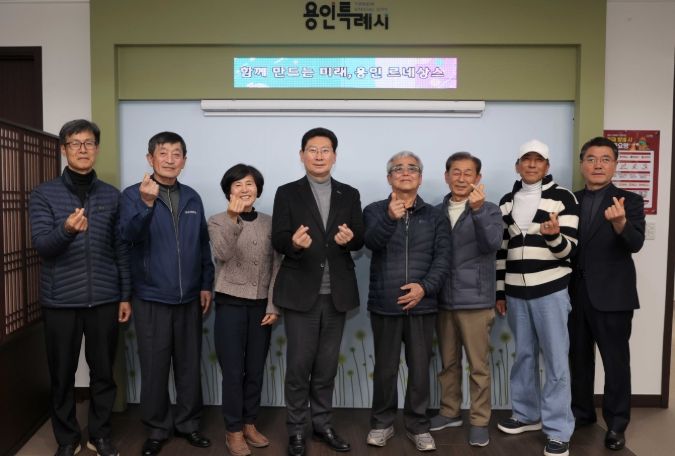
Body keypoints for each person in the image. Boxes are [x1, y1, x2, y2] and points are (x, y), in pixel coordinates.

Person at [29, 119, 131, 456]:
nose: (83, 149)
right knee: (62, 375)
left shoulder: (111, 196)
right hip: (60, 301)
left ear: (97, 149)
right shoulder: (44, 194)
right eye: (75, 143)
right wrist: (67, 230)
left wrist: (125, 295)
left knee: (103, 373)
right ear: (64, 150)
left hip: (104, 299)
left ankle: (99, 435)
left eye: (89, 143)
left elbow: (120, 249)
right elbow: (43, 246)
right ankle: (67, 438)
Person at [120, 131, 214, 456]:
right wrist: (146, 204)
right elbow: (127, 236)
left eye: (177, 154)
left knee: (189, 366)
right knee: (155, 367)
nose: (170, 159)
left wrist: (205, 283)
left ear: (184, 161)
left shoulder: (192, 197)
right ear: (150, 159)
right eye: (163, 153)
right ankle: (157, 428)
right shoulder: (133, 195)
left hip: (189, 298)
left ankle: (188, 424)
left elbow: (202, 245)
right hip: (151, 297)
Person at [271, 127, 364, 456]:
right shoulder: (287, 192)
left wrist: (349, 240)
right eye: (313, 150)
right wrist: (293, 244)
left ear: (334, 156)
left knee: (326, 367)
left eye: (325, 150)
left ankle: (322, 424)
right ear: (302, 155)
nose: (319, 155)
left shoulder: (349, 193)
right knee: (299, 367)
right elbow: (278, 238)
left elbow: (359, 237)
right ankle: (297, 429)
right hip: (300, 294)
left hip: (336, 295)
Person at [495, 139, 579, 456]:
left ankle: (558, 430)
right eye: (526, 159)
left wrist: (553, 237)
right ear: (518, 165)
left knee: (556, 361)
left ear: (547, 166)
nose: (532, 165)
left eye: (538, 160)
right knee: (524, 356)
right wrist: (500, 291)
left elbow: (569, 250)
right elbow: (501, 252)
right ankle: (526, 414)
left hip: (551, 289)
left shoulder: (563, 198)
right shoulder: (506, 202)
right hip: (515, 292)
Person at [363, 151, 450, 452]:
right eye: (398, 168)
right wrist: (390, 217)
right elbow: (370, 242)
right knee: (385, 370)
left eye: (412, 168)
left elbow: (443, 259)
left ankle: (418, 426)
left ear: (420, 177)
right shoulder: (374, 210)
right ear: (389, 178)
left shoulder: (436, 216)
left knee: (420, 369)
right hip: (385, 303)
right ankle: (381, 423)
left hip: (423, 305)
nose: (405, 172)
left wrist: (424, 288)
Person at [569, 137, 645, 451]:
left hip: (613, 296)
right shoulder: (569, 200)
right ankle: (581, 414)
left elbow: (635, 244)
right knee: (578, 360)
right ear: (582, 164)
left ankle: (616, 425)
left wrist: (621, 223)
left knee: (615, 363)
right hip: (573, 295)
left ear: (615, 165)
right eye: (591, 159)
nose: (597, 165)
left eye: (605, 159)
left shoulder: (630, 201)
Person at [428, 152, 502, 447]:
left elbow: (492, 243)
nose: (461, 178)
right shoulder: (435, 212)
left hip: (476, 301)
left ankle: (480, 420)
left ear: (478, 178)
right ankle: (450, 412)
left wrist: (479, 210)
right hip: (442, 300)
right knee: (448, 363)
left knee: (478, 366)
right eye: (455, 172)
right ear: (446, 176)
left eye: (468, 173)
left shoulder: (490, 210)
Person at [208, 164, 281, 456]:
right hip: (230, 303)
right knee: (232, 371)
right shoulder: (217, 220)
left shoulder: (271, 222)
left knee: (255, 369)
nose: (244, 189)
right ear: (229, 191)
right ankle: (233, 430)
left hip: (261, 305)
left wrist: (273, 304)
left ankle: (250, 423)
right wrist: (232, 218)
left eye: (249, 184)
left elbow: (277, 266)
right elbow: (222, 253)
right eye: (237, 185)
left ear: (258, 190)